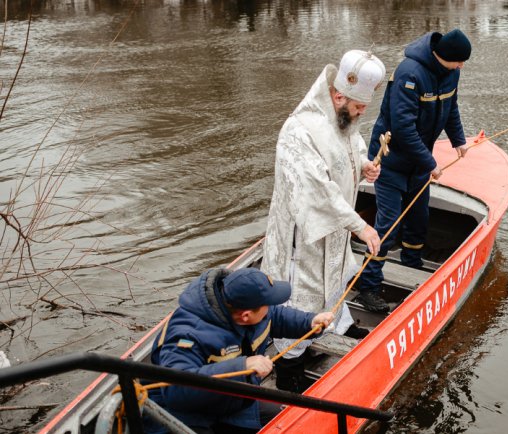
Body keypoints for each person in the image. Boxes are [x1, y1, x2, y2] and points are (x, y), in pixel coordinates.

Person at [260, 49, 386, 393]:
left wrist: (363, 164)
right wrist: (359, 225)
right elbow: (318, 189)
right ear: (338, 94)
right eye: (359, 106)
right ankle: (290, 360)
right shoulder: (299, 130)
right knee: (303, 292)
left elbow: (351, 146)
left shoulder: (342, 119)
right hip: (304, 234)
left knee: (336, 277)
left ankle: (336, 326)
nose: (362, 113)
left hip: (335, 229)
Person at [355, 29, 472, 312]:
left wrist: (458, 140)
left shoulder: (451, 73)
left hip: (418, 163)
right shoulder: (409, 74)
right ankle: (367, 286)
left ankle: (412, 265)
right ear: (446, 57)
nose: (462, 67)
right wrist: (430, 163)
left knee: (419, 218)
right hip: (391, 162)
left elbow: (451, 107)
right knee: (389, 224)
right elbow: (404, 129)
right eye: (459, 62)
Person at [145, 267, 334, 433]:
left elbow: (274, 317)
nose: (270, 308)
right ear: (245, 316)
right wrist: (241, 366)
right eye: (267, 305)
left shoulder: (249, 312)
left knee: (288, 419)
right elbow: (176, 391)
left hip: (231, 400)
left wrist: (310, 322)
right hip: (188, 414)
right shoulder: (186, 334)